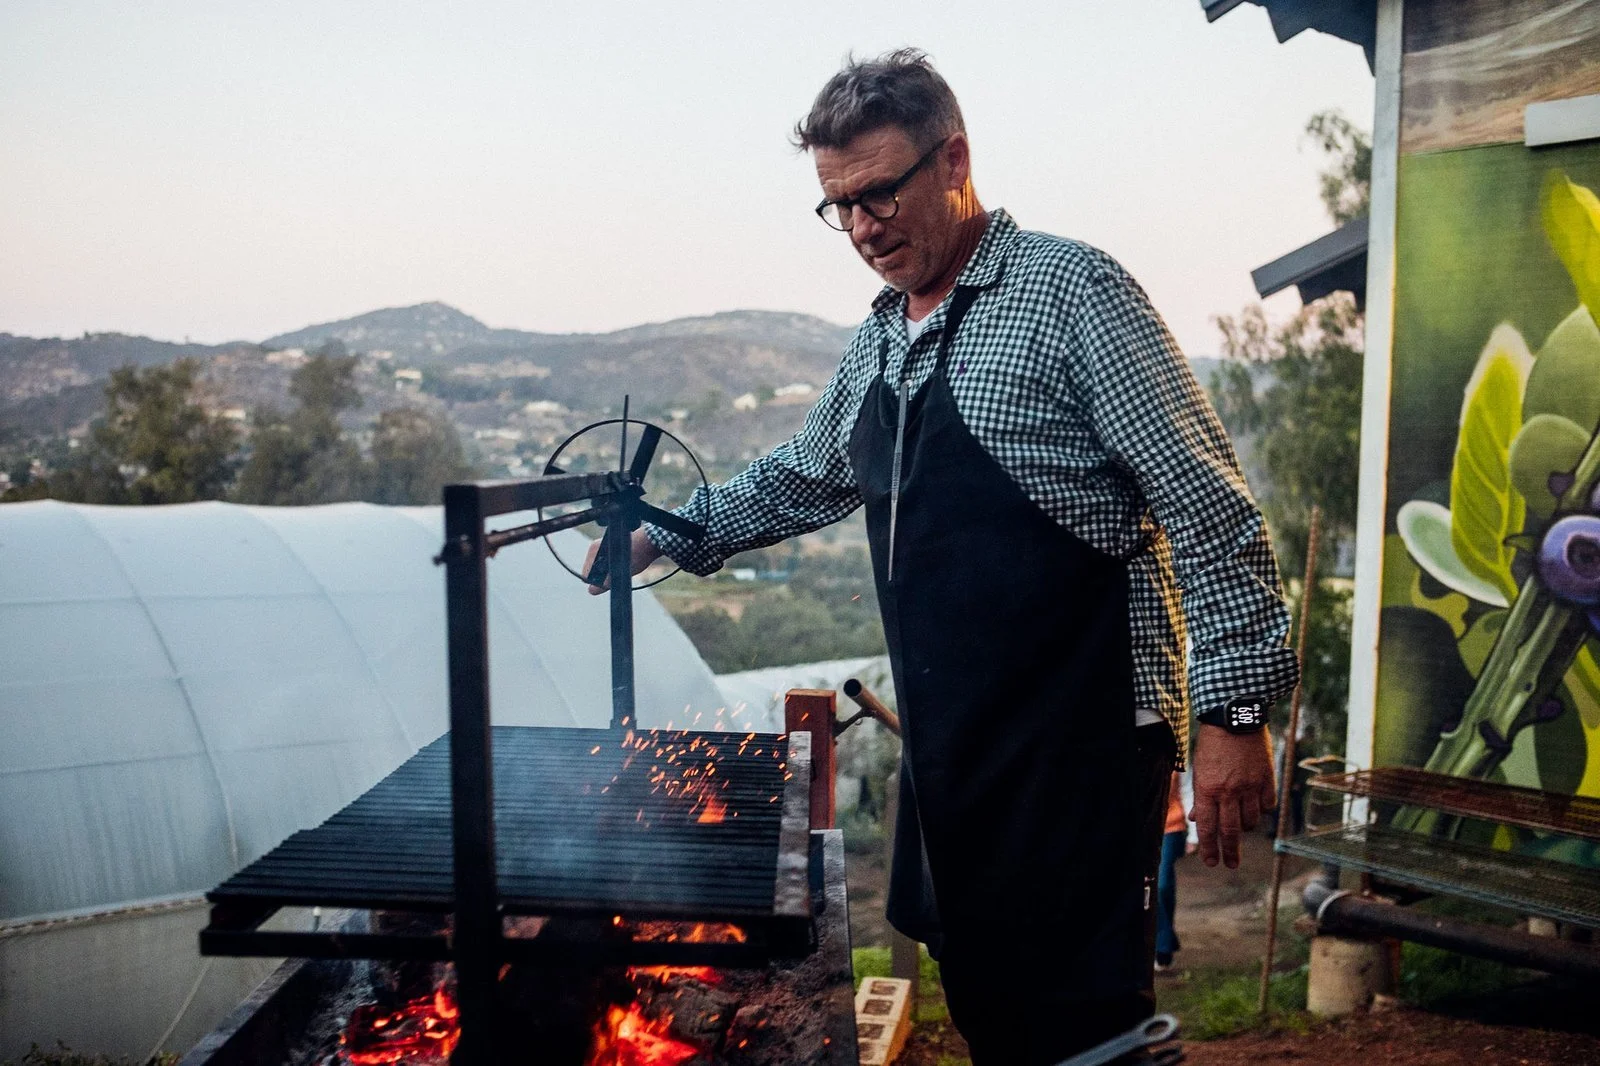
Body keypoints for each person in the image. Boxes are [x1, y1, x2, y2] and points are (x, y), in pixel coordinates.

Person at [585, 49, 1297, 1064]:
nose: (865, 225)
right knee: (986, 1003)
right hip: (954, 741)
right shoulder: (879, 341)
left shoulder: (1070, 290)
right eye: (840, 205)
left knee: (1085, 1027)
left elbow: (1207, 502)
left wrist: (1234, 712)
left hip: (1080, 738)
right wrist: (667, 531)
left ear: (953, 157)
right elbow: (800, 475)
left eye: (881, 190)